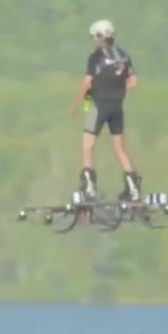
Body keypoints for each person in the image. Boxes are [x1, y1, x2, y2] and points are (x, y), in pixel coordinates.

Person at [67, 18, 142, 202]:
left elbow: (87, 84)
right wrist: (118, 90)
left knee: (87, 146)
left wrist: (75, 105)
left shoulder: (96, 58)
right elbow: (133, 82)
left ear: (100, 37)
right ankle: (133, 189)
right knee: (119, 148)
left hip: (99, 105)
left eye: (94, 38)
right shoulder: (123, 55)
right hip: (117, 107)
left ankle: (90, 188)